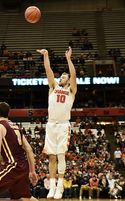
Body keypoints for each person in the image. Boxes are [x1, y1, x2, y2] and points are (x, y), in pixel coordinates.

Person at [0, 102, 38, 201]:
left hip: (13, 165)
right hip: (23, 166)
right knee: (26, 197)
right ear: (8, 113)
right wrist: (32, 171)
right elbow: (29, 149)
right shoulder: (16, 126)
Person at [37, 46, 77, 199]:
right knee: (51, 157)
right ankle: (52, 187)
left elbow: (73, 74)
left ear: (68, 82)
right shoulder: (53, 86)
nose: (61, 78)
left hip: (63, 125)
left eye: (63, 77)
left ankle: (60, 187)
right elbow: (48, 70)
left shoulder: (71, 90)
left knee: (61, 155)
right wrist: (45, 56)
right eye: (60, 77)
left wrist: (68, 59)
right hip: (51, 124)